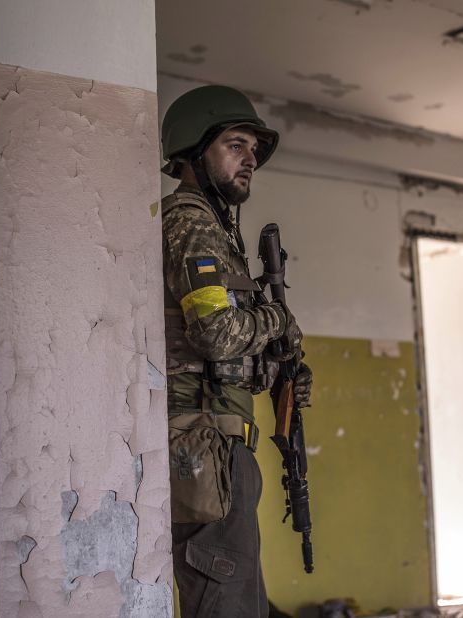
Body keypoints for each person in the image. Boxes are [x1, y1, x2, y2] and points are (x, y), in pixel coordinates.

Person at [160, 84, 313, 617]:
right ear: (194, 151)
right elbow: (216, 334)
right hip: (204, 446)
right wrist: (278, 319)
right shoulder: (191, 221)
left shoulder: (219, 232)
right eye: (236, 145)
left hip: (221, 445)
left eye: (254, 150)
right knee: (223, 598)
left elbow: (223, 357)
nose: (251, 159)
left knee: (241, 599)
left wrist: (279, 366)